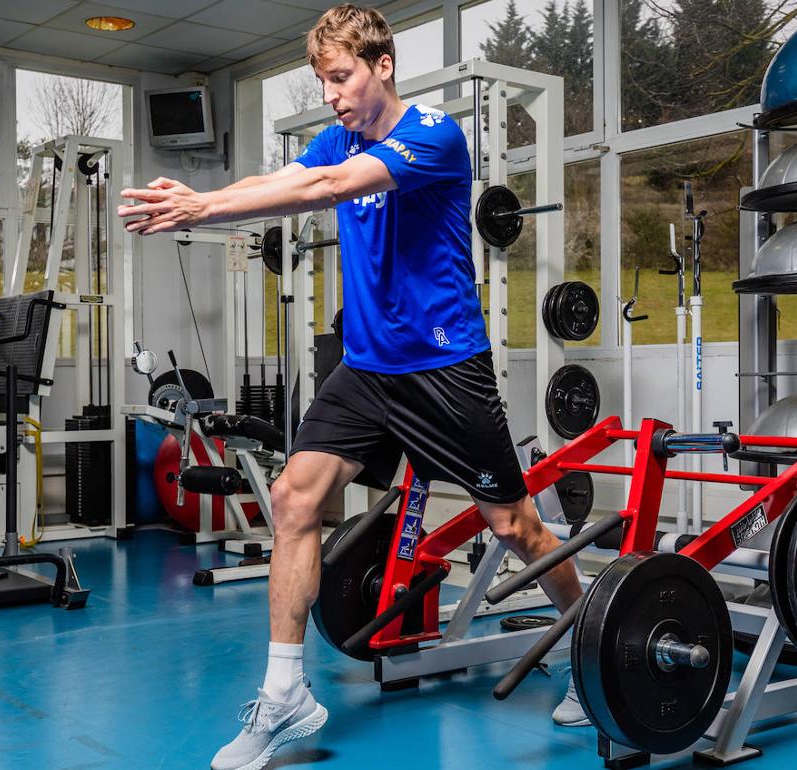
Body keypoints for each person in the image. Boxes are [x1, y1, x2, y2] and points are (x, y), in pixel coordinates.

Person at [118, 6, 587, 769]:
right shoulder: (336, 135)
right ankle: (283, 695)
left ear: (383, 66)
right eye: (322, 80)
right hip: (367, 369)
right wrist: (210, 202)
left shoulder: (432, 135)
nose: (332, 94)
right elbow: (287, 177)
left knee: (513, 528)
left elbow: (329, 186)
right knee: (296, 500)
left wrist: (203, 207)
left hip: (443, 370)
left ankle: (585, 646)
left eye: (342, 77)